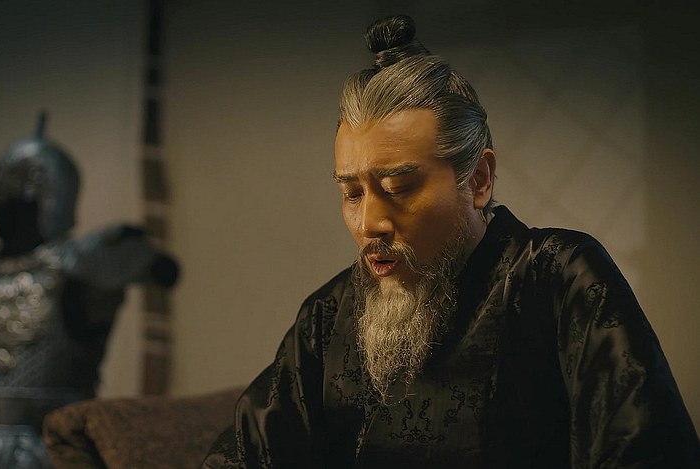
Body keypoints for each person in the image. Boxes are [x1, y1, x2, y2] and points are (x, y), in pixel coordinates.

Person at [202, 15, 699, 468]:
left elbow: (645, 449)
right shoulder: (327, 318)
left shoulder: (557, 279)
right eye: (352, 193)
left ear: (478, 180)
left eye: (397, 188)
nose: (369, 223)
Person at [0, 114, 178, 469]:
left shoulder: (80, 264)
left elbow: (164, 270)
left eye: (23, 204)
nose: (14, 212)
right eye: (10, 203)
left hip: (51, 451)